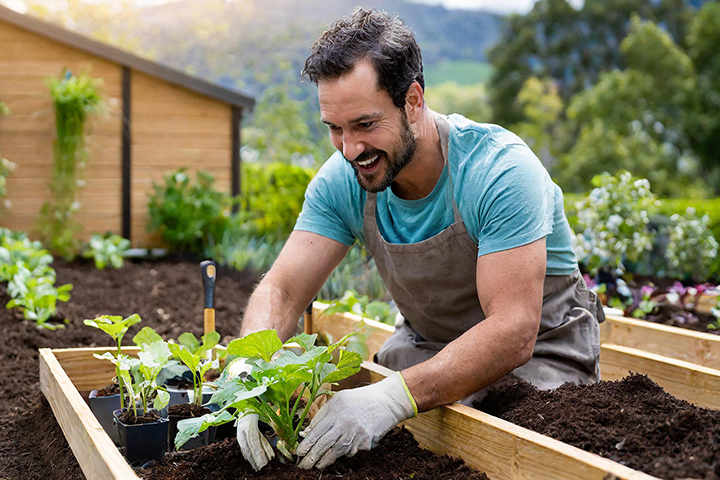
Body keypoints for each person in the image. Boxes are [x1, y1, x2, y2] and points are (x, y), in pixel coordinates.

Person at [235, 7, 604, 472]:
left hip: (536, 364)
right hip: (425, 350)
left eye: (365, 125)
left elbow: (513, 330)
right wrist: (251, 378)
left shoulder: (499, 171)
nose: (350, 149)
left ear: (412, 101)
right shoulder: (344, 179)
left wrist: (390, 398)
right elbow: (282, 290)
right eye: (335, 128)